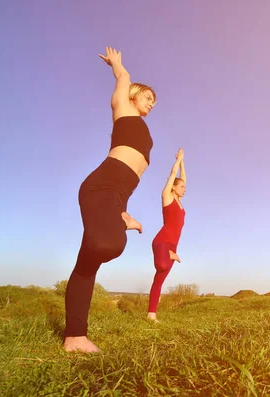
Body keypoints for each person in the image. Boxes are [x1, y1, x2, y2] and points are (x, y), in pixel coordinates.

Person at [63, 47, 156, 353]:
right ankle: (121, 221)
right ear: (133, 94)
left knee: (87, 265)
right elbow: (123, 77)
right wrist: (118, 65)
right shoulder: (122, 107)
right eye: (148, 97)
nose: (152, 103)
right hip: (102, 186)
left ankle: (75, 338)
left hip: (119, 195)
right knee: (108, 246)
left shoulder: (139, 123)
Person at [147, 148, 187, 322]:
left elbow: (182, 177)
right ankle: (171, 256)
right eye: (182, 186)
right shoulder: (167, 197)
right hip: (162, 241)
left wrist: (183, 161)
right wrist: (177, 162)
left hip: (173, 246)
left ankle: (151, 314)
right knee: (162, 265)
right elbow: (173, 174)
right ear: (174, 187)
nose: (185, 189)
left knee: (159, 281)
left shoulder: (179, 201)